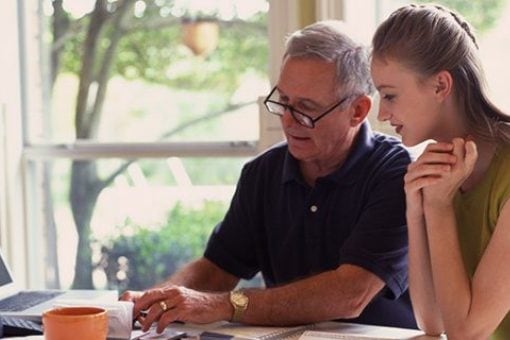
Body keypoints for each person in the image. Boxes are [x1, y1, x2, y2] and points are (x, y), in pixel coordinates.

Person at [121, 20, 416, 334]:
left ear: (357, 111)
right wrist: (161, 298)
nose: (288, 120)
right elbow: (217, 269)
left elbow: (350, 293)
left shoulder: (396, 173)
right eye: (283, 101)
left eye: (306, 108)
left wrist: (224, 305)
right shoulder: (263, 172)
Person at [371, 4, 510, 339]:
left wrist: (438, 208)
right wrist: (416, 208)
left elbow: (467, 333)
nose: (381, 114)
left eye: (390, 95)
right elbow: (431, 321)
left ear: (440, 86)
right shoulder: (438, 173)